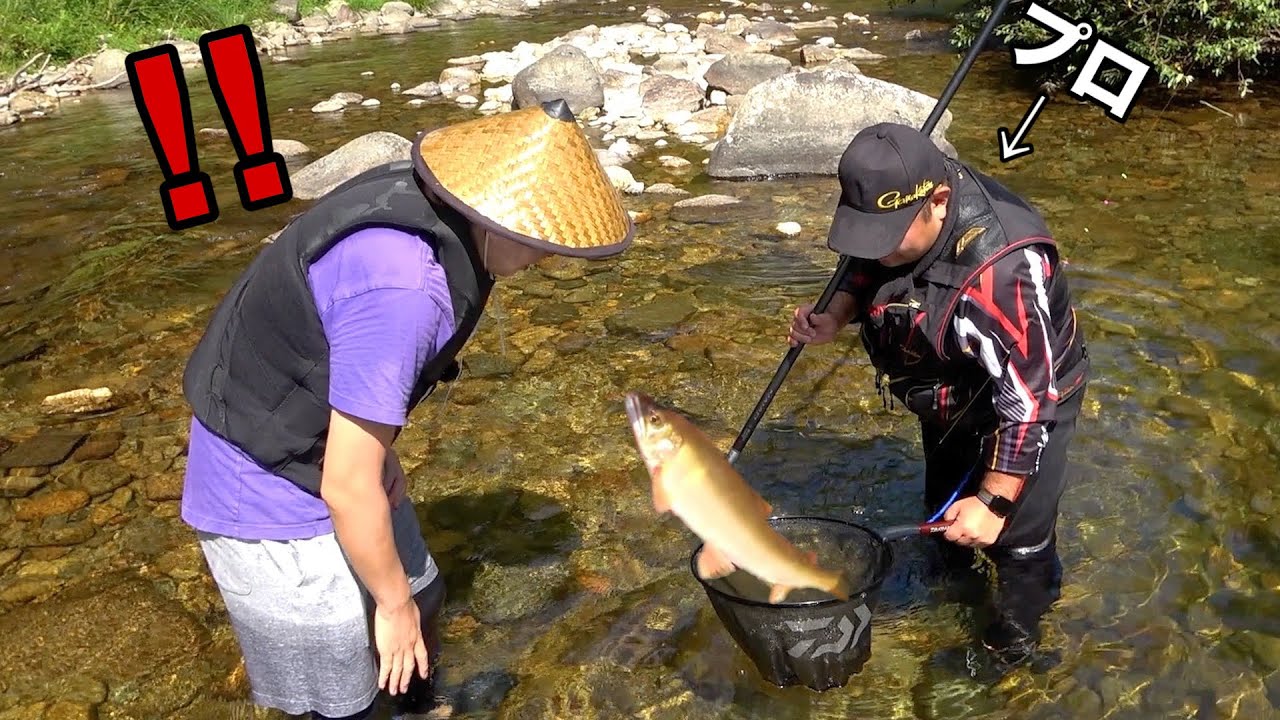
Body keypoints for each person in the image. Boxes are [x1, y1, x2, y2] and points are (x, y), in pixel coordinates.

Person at [178, 99, 634, 720]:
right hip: (259, 472)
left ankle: (419, 707)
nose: (546, 259)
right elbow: (345, 483)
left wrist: (378, 454)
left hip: (319, 433)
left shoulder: (423, 196)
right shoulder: (406, 292)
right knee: (344, 687)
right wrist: (389, 607)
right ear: (493, 218)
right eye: (539, 244)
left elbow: (345, 363)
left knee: (423, 596)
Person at [787, 122, 1090, 672]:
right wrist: (835, 314)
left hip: (1029, 399)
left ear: (940, 202)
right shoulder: (894, 218)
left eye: (886, 237)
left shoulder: (1000, 271)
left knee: (1016, 540)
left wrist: (995, 502)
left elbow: (1030, 401)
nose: (874, 252)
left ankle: (1013, 648)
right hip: (949, 389)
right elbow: (863, 265)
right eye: (863, 233)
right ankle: (952, 590)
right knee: (946, 513)